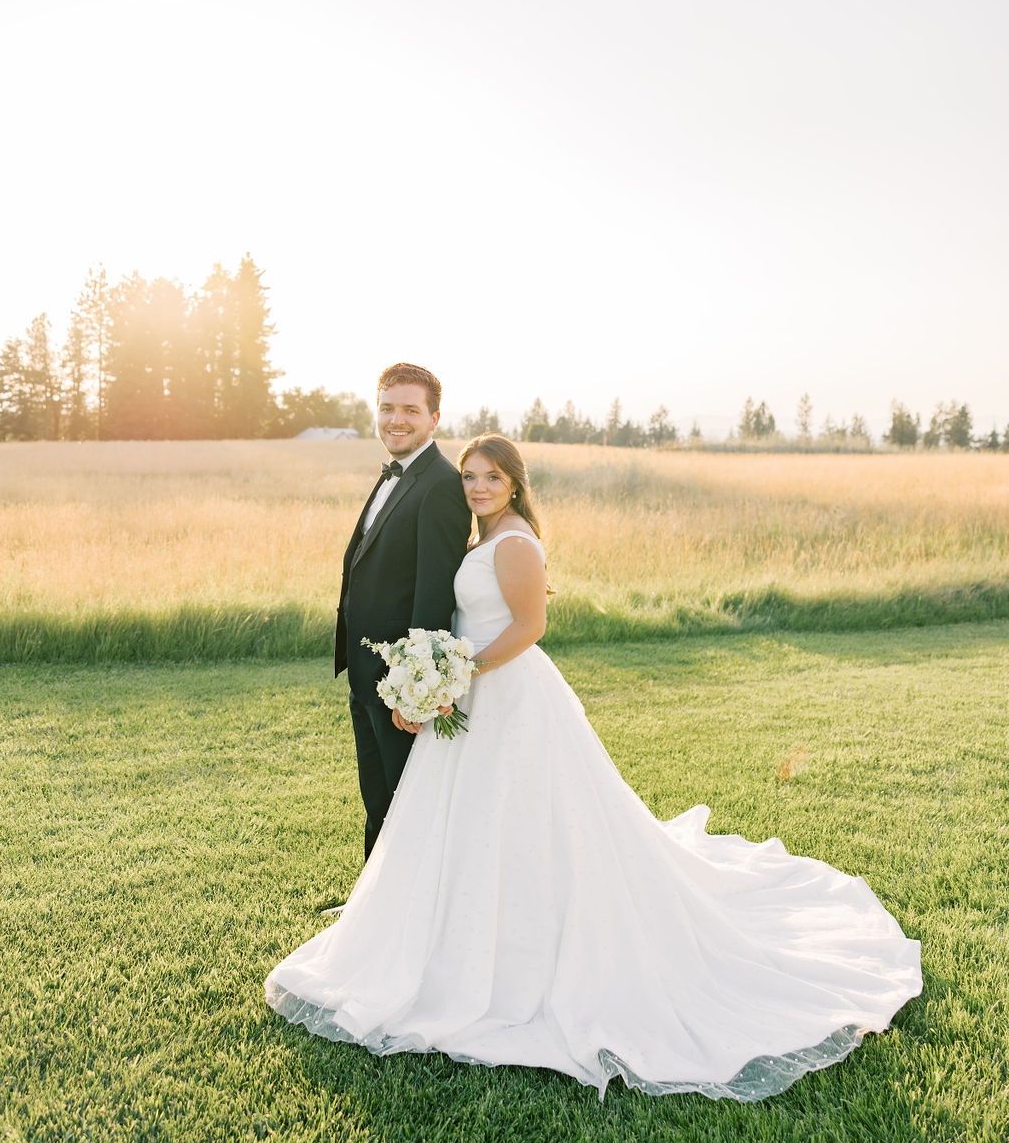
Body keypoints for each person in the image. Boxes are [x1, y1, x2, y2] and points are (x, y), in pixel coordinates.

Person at [268, 436, 921, 1100]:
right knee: (473, 820)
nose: (478, 487)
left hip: (510, 695)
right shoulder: (486, 535)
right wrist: (443, 675)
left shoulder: (516, 542)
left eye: (491, 478)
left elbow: (530, 626)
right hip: (474, 693)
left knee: (526, 817)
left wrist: (456, 671)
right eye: (469, 477)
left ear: (515, 485)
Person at [334, 363, 471, 859]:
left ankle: (406, 922)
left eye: (410, 410)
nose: (397, 419)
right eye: (387, 408)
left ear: (434, 418)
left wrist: (410, 693)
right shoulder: (395, 472)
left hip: (398, 685)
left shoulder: (439, 486)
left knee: (405, 804)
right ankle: (373, 911)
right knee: (378, 802)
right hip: (366, 674)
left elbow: (433, 598)